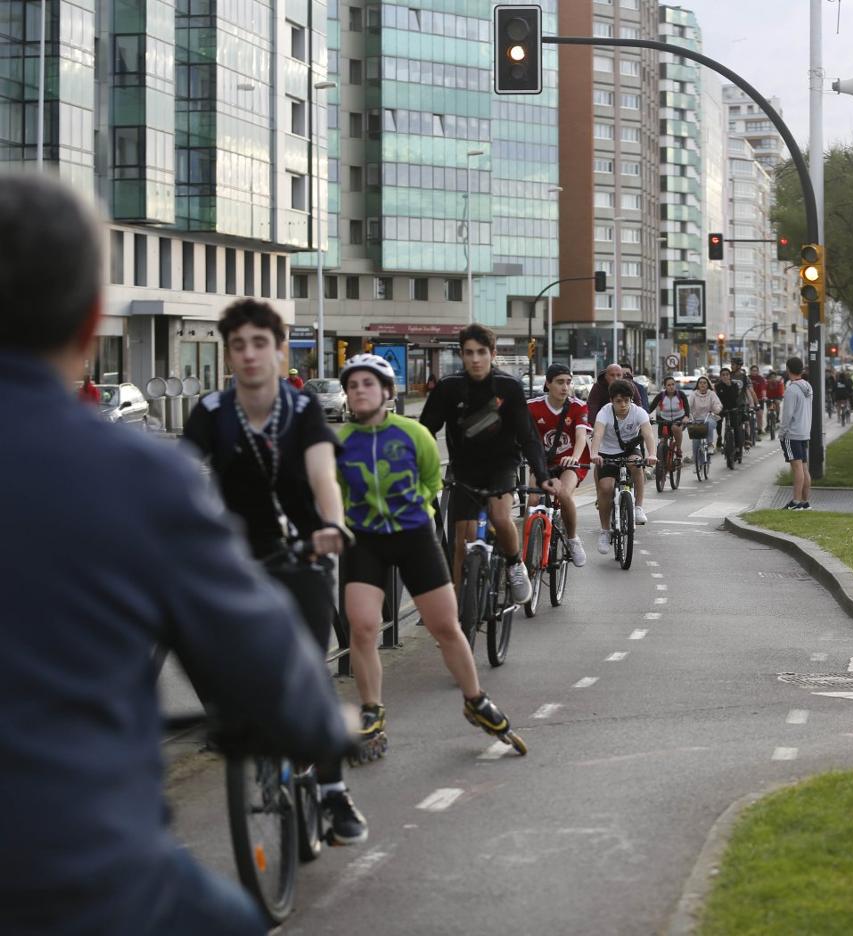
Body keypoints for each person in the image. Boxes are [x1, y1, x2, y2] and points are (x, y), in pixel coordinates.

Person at [1, 173, 353, 935]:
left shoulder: (293, 420)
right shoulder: (137, 473)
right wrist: (322, 721)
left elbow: (322, 479)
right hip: (72, 871)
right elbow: (265, 662)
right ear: (92, 316)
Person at [183, 298, 368, 845]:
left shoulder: (301, 409)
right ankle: (234, 720)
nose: (248, 354)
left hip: (302, 550)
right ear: (228, 353)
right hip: (235, 557)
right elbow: (180, 475)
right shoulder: (212, 411)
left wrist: (332, 525)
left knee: (306, 664)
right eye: (237, 345)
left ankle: (333, 792)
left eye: (259, 343)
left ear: (279, 349)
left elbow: (322, 476)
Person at [336, 353, 525, 754]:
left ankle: (475, 700)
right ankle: (372, 710)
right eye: (352, 386)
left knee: (445, 626)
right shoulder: (339, 442)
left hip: (413, 535)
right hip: (365, 538)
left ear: (387, 392)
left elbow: (429, 480)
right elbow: (330, 490)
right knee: (363, 626)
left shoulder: (413, 434)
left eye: (368, 384)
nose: (359, 392)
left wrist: (411, 507)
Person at [420, 324, 558, 603]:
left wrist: (542, 476)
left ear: (492, 354)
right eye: (468, 353)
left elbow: (528, 436)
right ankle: (460, 612)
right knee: (462, 541)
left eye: (481, 352)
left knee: (499, 516)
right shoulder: (449, 388)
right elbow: (423, 431)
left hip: (501, 465)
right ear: (461, 354)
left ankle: (514, 564)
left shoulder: (507, 387)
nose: (475, 359)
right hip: (464, 468)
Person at [526, 363, 590, 567]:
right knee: (533, 499)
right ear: (548, 383)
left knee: (563, 494)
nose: (565, 387)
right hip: (542, 463)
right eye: (560, 382)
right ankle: (527, 553)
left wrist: (575, 457)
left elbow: (581, 437)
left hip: (570, 462)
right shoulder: (532, 406)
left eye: (568, 382)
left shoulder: (578, 406)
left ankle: (572, 539)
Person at [588, 379, 658, 554]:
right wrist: (594, 453)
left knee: (637, 466)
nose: (623, 405)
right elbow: (597, 434)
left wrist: (652, 454)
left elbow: (648, 434)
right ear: (611, 400)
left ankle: (639, 507)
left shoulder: (638, 412)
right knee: (605, 488)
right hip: (607, 453)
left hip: (629, 450)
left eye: (627, 400)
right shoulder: (604, 413)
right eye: (619, 401)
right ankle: (605, 531)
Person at [778, 356, 813, 509]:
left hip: (792, 433)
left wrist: (782, 433)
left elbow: (787, 415)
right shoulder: (808, 386)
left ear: (788, 369)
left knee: (797, 468)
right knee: (804, 468)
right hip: (805, 431)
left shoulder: (791, 390)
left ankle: (796, 502)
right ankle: (805, 502)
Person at [648, 374, 691, 463]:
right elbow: (651, 407)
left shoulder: (680, 394)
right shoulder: (661, 395)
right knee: (662, 441)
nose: (671, 387)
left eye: (673, 384)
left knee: (675, 428)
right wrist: (645, 416)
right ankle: (662, 463)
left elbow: (687, 406)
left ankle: (678, 449)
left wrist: (686, 417)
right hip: (664, 421)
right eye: (669, 385)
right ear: (665, 386)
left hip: (679, 419)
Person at [688, 374, 723, 451]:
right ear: (697, 385)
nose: (702, 384)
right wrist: (688, 415)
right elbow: (688, 405)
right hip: (696, 419)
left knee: (709, 424)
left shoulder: (712, 394)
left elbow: (717, 404)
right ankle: (695, 457)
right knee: (696, 441)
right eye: (700, 383)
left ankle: (710, 443)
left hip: (709, 418)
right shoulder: (693, 394)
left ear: (708, 385)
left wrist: (716, 409)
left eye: (704, 383)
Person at [713, 366, 742, 457]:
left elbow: (736, 398)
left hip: (733, 408)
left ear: (730, 376)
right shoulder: (717, 386)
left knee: (736, 427)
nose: (725, 376)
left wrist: (729, 386)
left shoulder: (734, 385)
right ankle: (719, 437)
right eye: (723, 375)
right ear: (720, 376)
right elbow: (715, 398)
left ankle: (737, 448)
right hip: (721, 409)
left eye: (727, 375)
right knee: (718, 422)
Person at [748, 364, 768, 433]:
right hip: (749, 400)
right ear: (750, 371)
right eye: (753, 371)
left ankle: (760, 429)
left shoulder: (761, 379)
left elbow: (763, 389)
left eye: (756, 371)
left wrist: (764, 396)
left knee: (759, 415)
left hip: (759, 399)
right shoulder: (747, 378)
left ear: (758, 371)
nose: (754, 372)